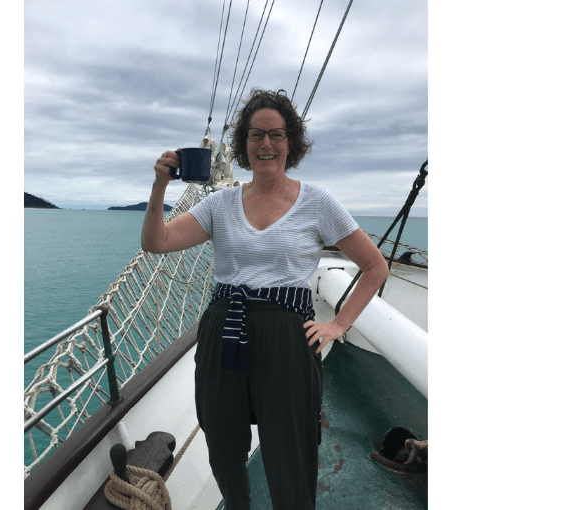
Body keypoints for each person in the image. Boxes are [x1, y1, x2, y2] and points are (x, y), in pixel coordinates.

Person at [141, 89, 389, 510]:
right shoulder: (220, 204)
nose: (266, 145)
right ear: (244, 143)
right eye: (256, 135)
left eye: (276, 135)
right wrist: (160, 184)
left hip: (288, 334)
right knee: (222, 443)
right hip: (225, 328)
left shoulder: (318, 202)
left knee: (289, 449)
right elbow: (157, 241)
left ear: (291, 142)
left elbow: (375, 267)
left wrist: (338, 325)